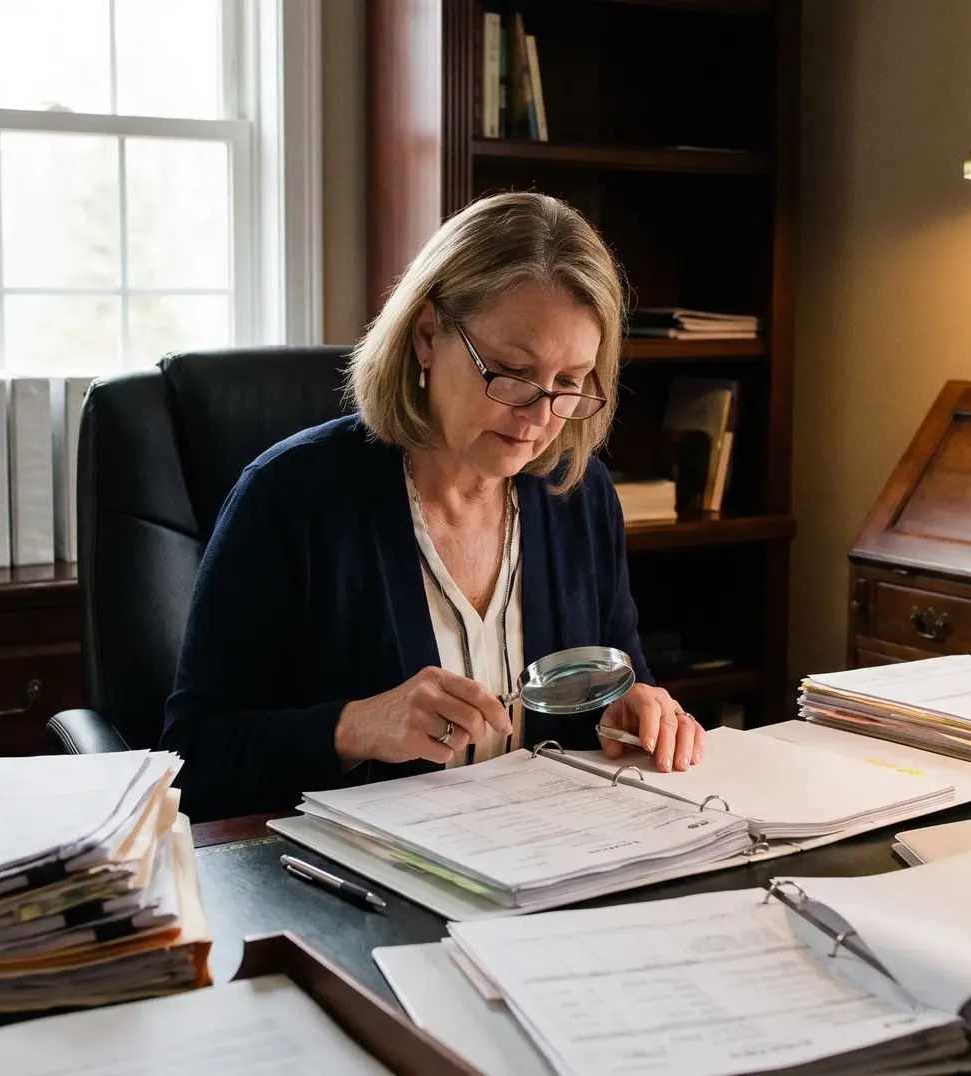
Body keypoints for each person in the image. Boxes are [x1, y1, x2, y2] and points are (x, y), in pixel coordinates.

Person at [161, 192, 704, 822]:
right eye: (510, 371)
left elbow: (619, 679)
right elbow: (191, 760)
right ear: (427, 337)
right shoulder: (288, 499)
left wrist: (639, 709)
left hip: (548, 866)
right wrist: (355, 727)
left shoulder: (579, 497)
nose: (539, 417)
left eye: (570, 382)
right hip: (360, 891)